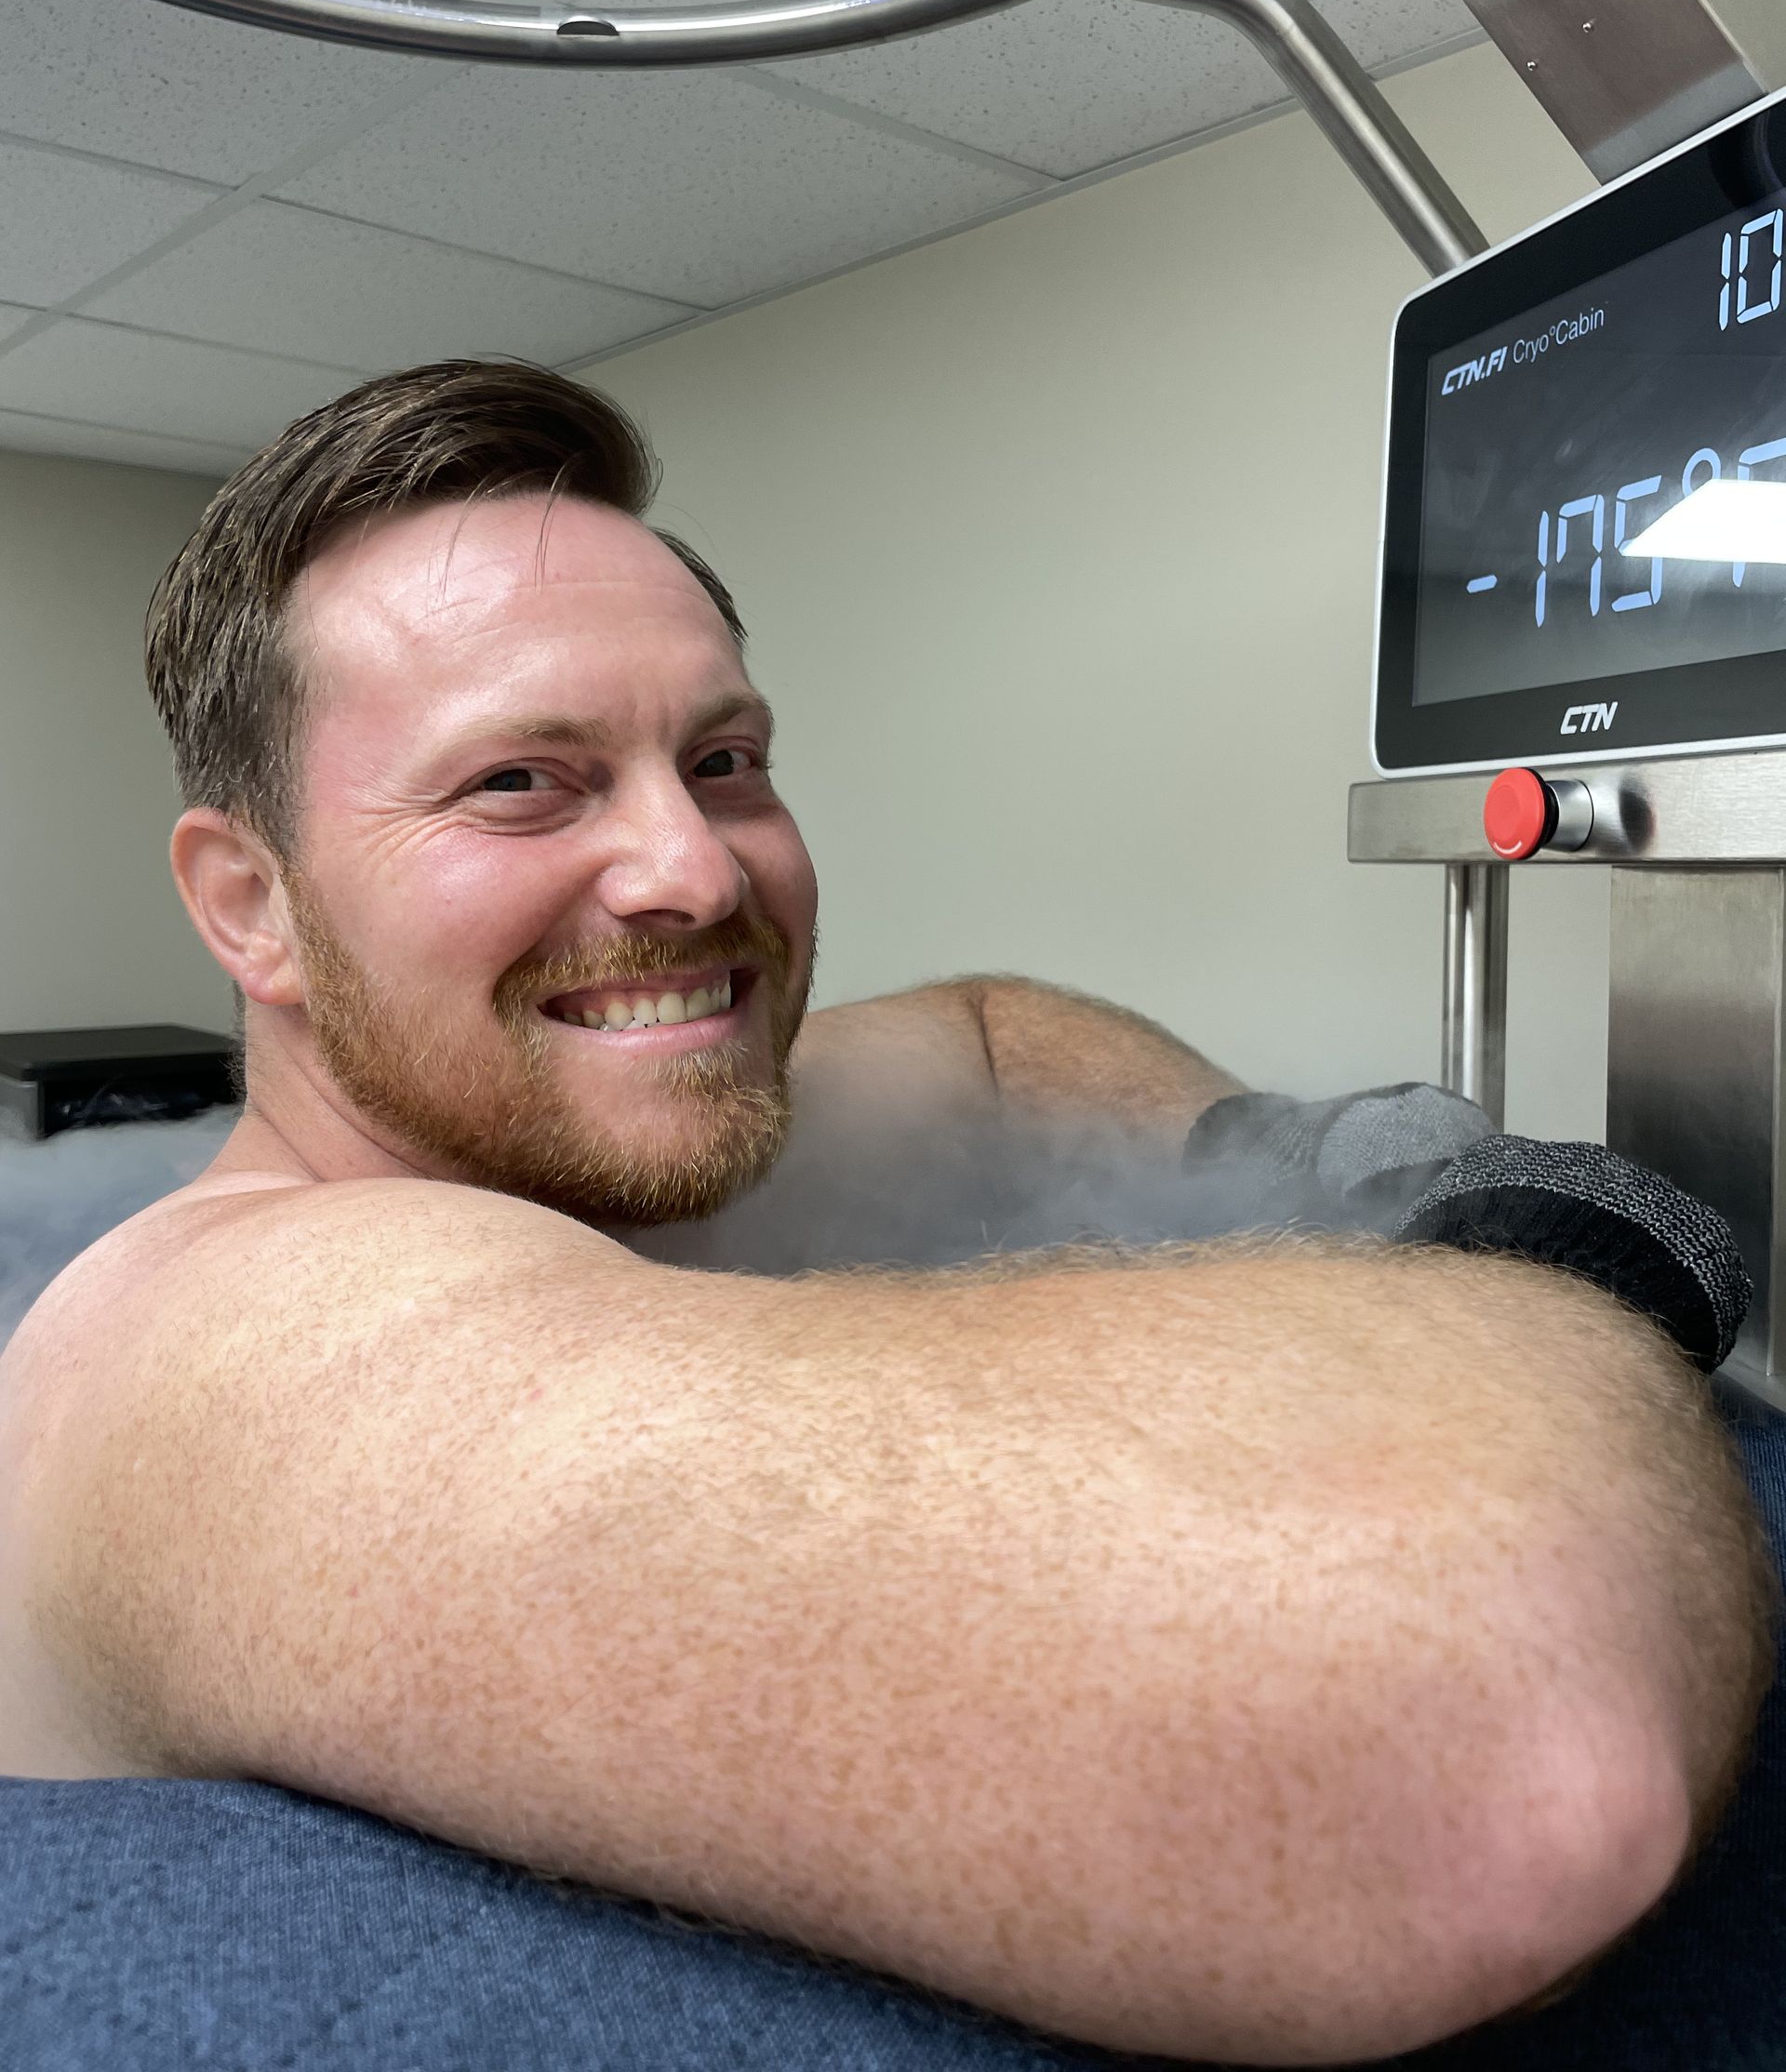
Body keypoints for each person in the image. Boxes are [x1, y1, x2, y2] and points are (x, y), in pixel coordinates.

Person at [0, 361, 1775, 2068]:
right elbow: (1488, 1752)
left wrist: (1347, 1150)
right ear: (252, 907)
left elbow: (995, 1038)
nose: (692, 869)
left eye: (723, 760)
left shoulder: (580, 1144)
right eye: (519, 783)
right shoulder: (232, 1356)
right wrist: (1548, 1250)